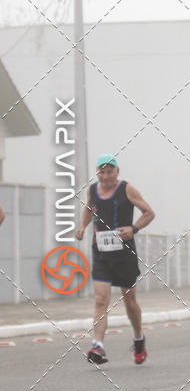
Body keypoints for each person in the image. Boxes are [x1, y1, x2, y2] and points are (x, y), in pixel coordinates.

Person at [76, 155, 155, 365]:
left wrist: (134, 228)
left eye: (110, 171)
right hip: (101, 252)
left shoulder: (127, 189)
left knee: (129, 300)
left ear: (117, 172)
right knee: (100, 300)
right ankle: (98, 345)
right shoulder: (92, 190)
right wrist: (83, 226)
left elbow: (149, 212)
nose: (106, 175)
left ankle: (138, 338)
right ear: (97, 173)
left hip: (124, 254)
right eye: (102, 171)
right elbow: (88, 208)